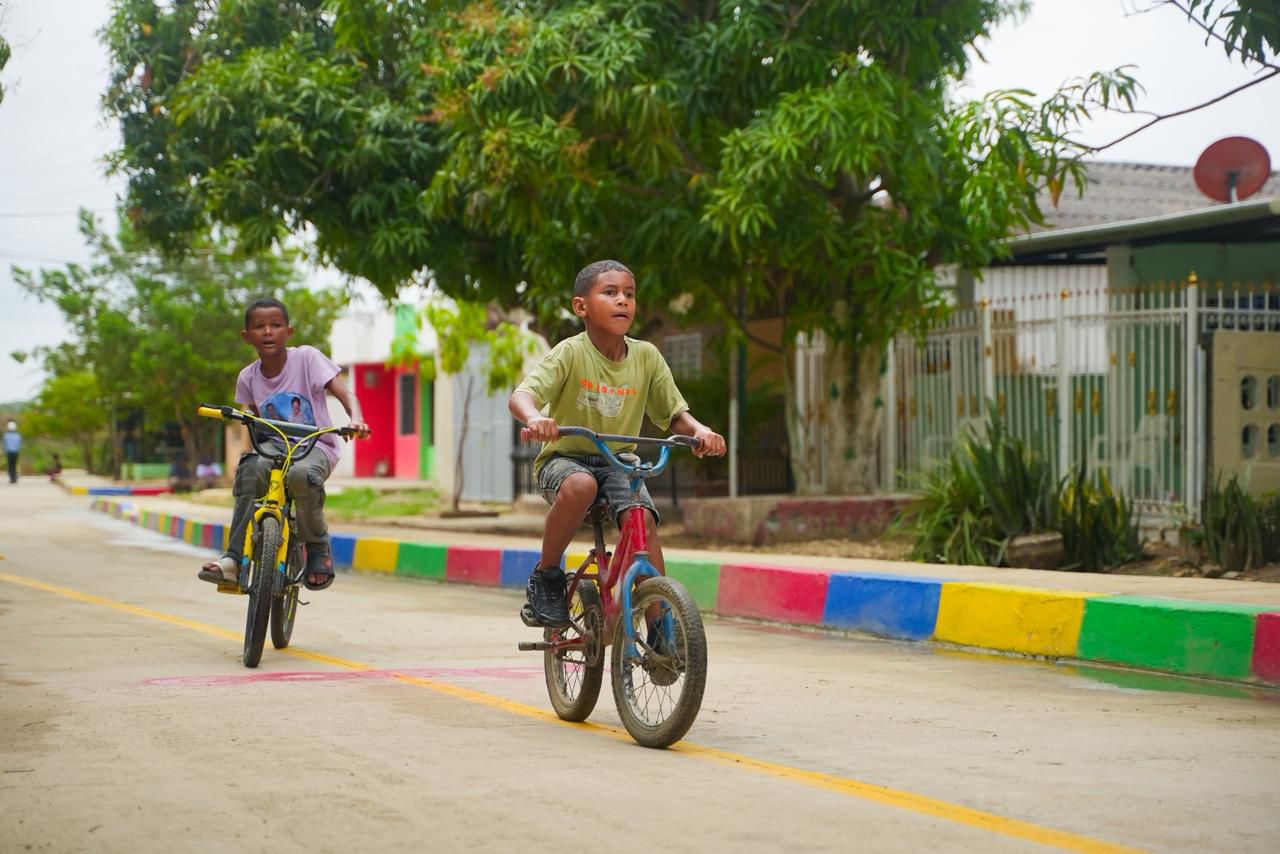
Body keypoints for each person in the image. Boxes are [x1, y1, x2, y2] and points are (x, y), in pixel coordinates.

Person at [508, 260, 726, 627]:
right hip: (565, 460)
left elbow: (673, 414)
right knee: (582, 485)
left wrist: (700, 430)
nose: (622, 300)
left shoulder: (646, 356)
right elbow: (522, 396)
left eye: (629, 294)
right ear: (582, 307)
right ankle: (546, 576)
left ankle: (662, 626)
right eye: (610, 293)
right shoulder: (570, 352)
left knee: (641, 518)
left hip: (618, 462)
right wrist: (535, 419)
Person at [198, 298, 369, 590]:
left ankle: (316, 548)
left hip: (316, 446)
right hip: (273, 448)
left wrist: (356, 420)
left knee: (301, 476)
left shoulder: (308, 358)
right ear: (246, 336)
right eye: (259, 326)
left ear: (288, 331)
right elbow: (256, 423)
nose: (268, 332)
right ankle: (234, 559)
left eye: (275, 325)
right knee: (250, 470)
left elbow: (347, 395)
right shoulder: (247, 378)